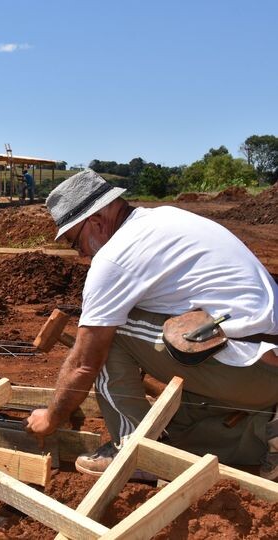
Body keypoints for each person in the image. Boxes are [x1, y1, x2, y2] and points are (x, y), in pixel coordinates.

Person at [25, 169, 278, 480]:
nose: (80, 254)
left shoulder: (114, 258)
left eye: (75, 242)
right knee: (179, 427)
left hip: (252, 371)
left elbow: (84, 363)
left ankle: (135, 451)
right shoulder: (164, 219)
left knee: (107, 334)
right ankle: (263, 430)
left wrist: (50, 417)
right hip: (263, 367)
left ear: (97, 222)